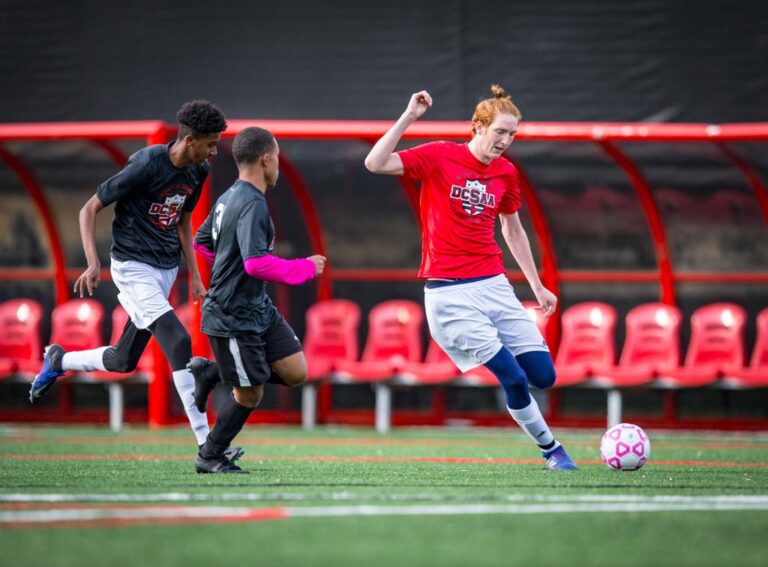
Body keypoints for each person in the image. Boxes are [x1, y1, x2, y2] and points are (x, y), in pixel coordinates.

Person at [364, 85, 577, 470]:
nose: (506, 141)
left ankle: (501, 352)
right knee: (513, 378)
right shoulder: (439, 156)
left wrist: (537, 284)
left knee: (543, 377)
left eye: (512, 134)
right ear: (477, 128)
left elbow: (513, 230)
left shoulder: (506, 173)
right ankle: (552, 450)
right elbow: (374, 164)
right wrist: (410, 116)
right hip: (450, 296)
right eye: (500, 131)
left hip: (494, 285)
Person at [29, 100, 242, 464]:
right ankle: (209, 447)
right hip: (132, 268)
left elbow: (182, 222)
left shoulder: (197, 172)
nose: (214, 150)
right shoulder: (146, 163)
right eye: (210, 142)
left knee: (124, 359)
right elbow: (89, 209)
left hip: (164, 272)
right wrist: (94, 262)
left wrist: (193, 275)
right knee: (178, 341)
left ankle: (59, 359)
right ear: (190, 140)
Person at [190, 126, 326, 473]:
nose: (278, 165)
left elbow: (202, 244)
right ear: (266, 159)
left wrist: (225, 267)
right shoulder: (250, 203)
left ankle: (213, 372)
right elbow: (255, 263)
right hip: (232, 314)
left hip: (257, 308)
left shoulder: (227, 198)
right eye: (277, 158)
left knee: (296, 371)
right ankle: (210, 455)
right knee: (250, 393)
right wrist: (305, 268)